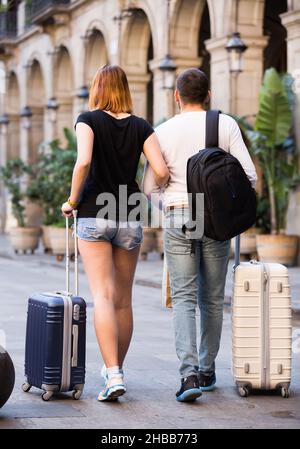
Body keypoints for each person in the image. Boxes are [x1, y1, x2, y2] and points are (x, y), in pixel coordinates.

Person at [143, 68, 257, 402]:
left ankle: (189, 376)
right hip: (216, 219)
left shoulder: (161, 131)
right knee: (212, 297)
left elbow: (148, 186)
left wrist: (167, 205)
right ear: (208, 95)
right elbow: (248, 175)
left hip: (179, 215)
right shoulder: (225, 125)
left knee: (183, 297)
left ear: (176, 96)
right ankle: (208, 369)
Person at [61, 64, 169, 401]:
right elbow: (161, 169)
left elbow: (83, 162)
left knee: (103, 297)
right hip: (129, 213)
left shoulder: (88, 119)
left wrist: (71, 201)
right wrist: (148, 189)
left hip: (94, 212)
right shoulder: (141, 126)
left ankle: (113, 374)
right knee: (123, 300)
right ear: (125, 89)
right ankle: (115, 370)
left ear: (98, 89)